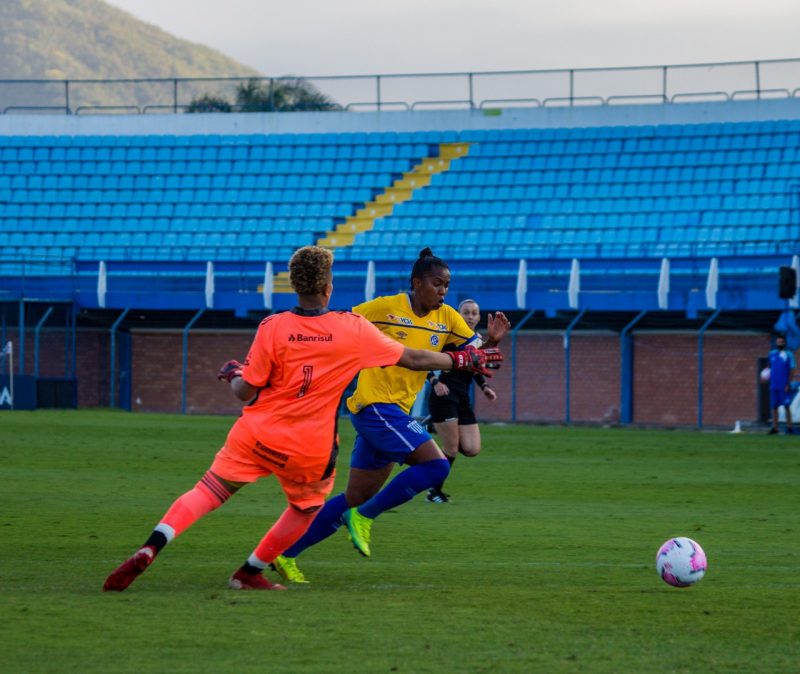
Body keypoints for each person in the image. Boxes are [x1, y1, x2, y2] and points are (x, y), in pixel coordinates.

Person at [102, 246, 502, 592]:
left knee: (211, 490)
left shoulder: (272, 326)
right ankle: (252, 569)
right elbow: (412, 357)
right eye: (438, 283)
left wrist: (234, 372)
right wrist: (459, 361)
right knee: (313, 506)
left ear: (294, 285)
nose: (443, 290)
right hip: (316, 441)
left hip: (257, 430)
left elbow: (245, 390)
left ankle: (156, 545)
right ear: (328, 287)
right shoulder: (352, 326)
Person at [271, 248, 511, 584]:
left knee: (355, 496)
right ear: (417, 283)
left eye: (447, 285)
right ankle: (364, 517)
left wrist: (492, 342)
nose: (443, 291)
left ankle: (284, 553)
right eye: (437, 283)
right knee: (437, 466)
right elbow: (337, 325)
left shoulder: (447, 317)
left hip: (395, 412)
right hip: (374, 406)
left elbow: (476, 358)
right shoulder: (385, 307)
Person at [425, 298, 497, 503]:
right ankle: (433, 492)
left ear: (479, 317)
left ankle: (433, 425)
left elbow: (475, 368)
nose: (470, 316)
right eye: (466, 312)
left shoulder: (478, 341)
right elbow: (423, 360)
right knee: (451, 448)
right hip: (444, 397)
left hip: (463, 399)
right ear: (457, 315)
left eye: (474, 313)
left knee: (472, 449)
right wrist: (435, 381)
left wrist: (484, 387)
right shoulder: (447, 338)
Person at [767, 333, 796, 435]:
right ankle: (775, 428)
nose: (779, 343)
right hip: (774, 384)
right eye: (778, 342)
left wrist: (788, 383)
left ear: (785, 343)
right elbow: (769, 368)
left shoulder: (789, 354)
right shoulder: (771, 354)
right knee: (774, 406)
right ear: (776, 343)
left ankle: (789, 427)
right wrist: (765, 376)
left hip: (784, 385)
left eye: (781, 342)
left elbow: (792, 370)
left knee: (786, 406)